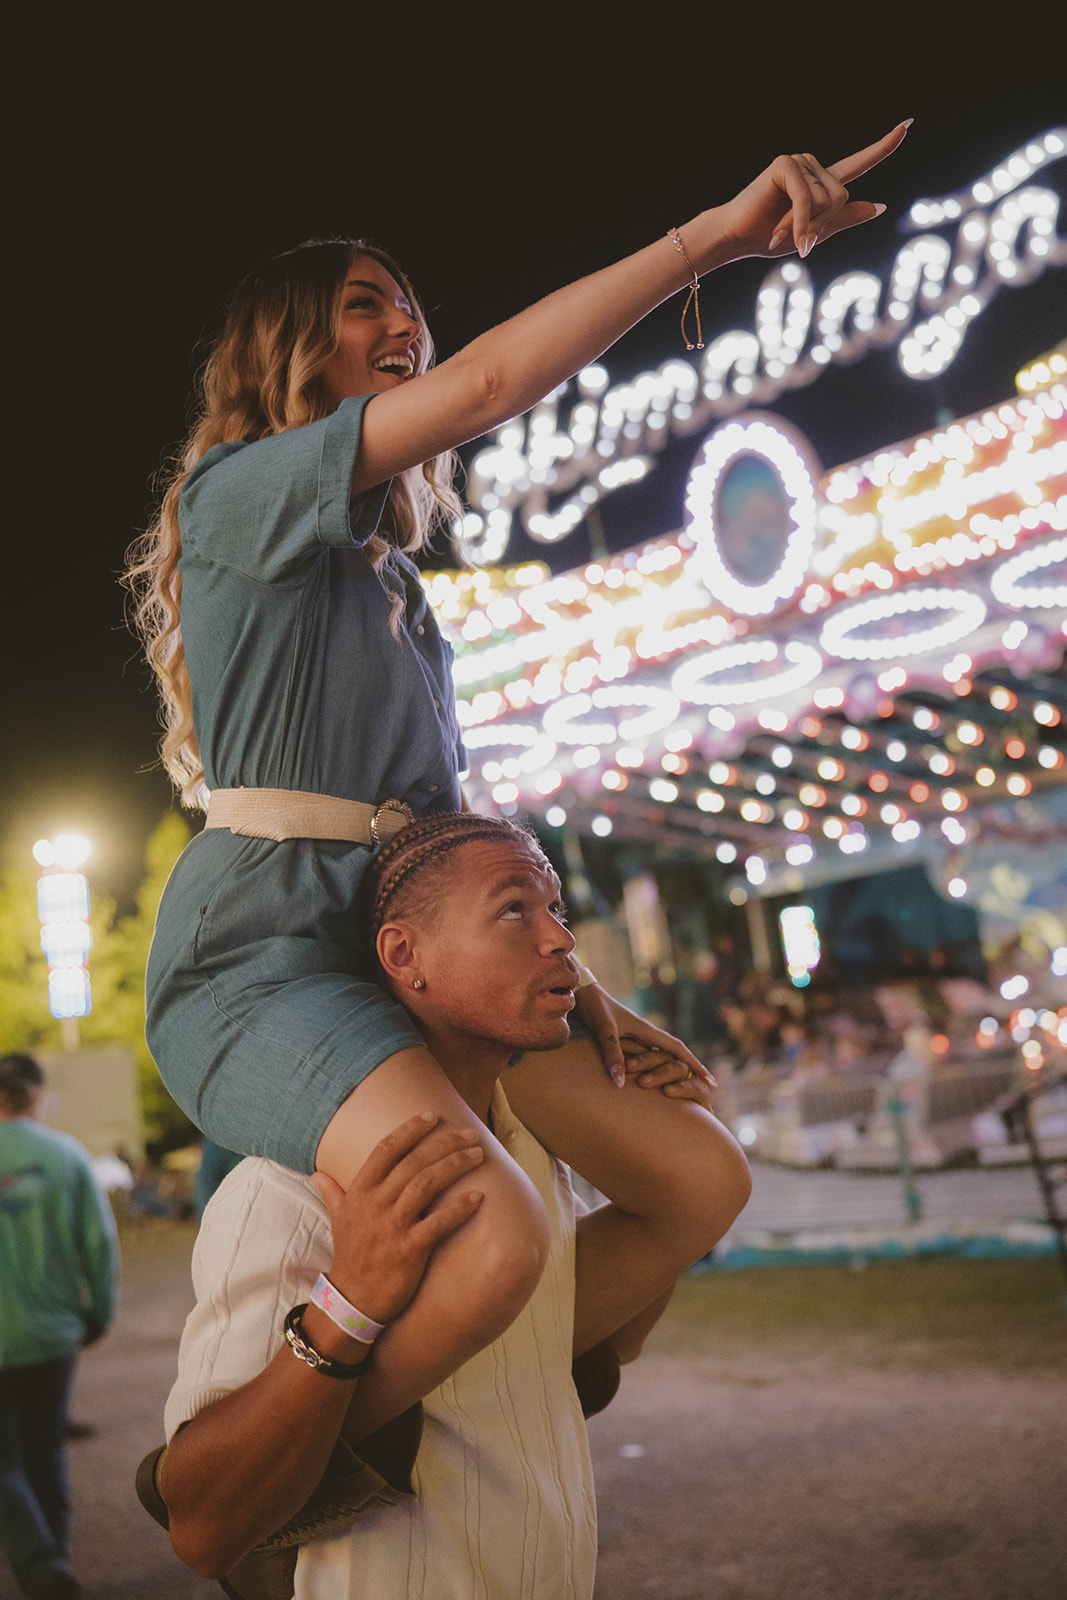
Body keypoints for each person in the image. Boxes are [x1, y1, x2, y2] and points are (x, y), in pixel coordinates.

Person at [125, 118, 910, 1421]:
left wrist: (575, 979)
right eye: (363, 305)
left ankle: (483, 1388)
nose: (407, 328)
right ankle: (300, 1458)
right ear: (283, 345)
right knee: (496, 1231)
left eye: (412, 309)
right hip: (263, 959)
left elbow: (445, 843)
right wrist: (714, 234)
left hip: (414, 951)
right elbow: (491, 386)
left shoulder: (404, 605)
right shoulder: (238, 494)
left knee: (698, 1176)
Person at [149, 813, 752, 1597]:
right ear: (405, 956)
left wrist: (662, 1155)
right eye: (513, 910)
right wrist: (351, 1303)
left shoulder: (528, 1165)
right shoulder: (293, 1190)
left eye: (556, 910)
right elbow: (200, 1525)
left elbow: (594, 1356)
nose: (560, 940)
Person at [0, 1055, 119, 1600]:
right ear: (34, 1100)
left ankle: (40, 1564)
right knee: (45, 1451)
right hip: (53, 1335)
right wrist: (101, 1313)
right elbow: (100, 1243)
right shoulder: (65, 1155)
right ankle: (58, 1562)